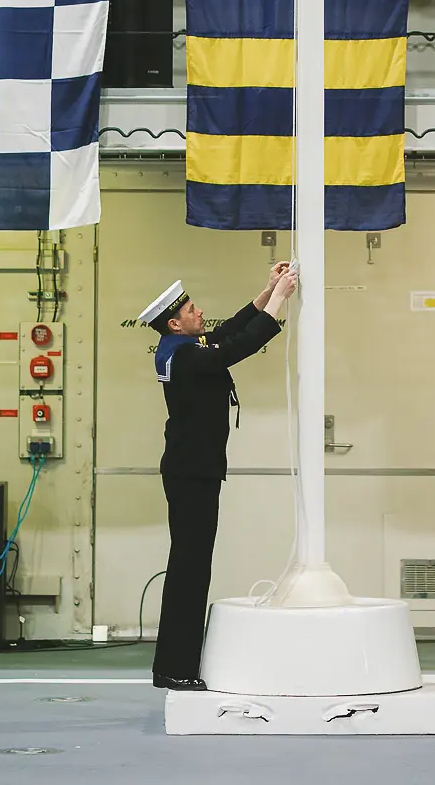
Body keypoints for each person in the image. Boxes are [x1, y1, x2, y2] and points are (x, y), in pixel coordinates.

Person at [138, 262, 298, 692]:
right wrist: (281, 299)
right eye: (191, 310)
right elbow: (235, 348)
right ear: (175, 322)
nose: (199, 313)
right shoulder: (185, 354)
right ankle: (174, 667)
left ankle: (176, 663)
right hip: (193, 473)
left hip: (193, 469)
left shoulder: (179, 346)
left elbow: (226, 332)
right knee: (190, 570)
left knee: (191, 566)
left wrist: (266, 292)